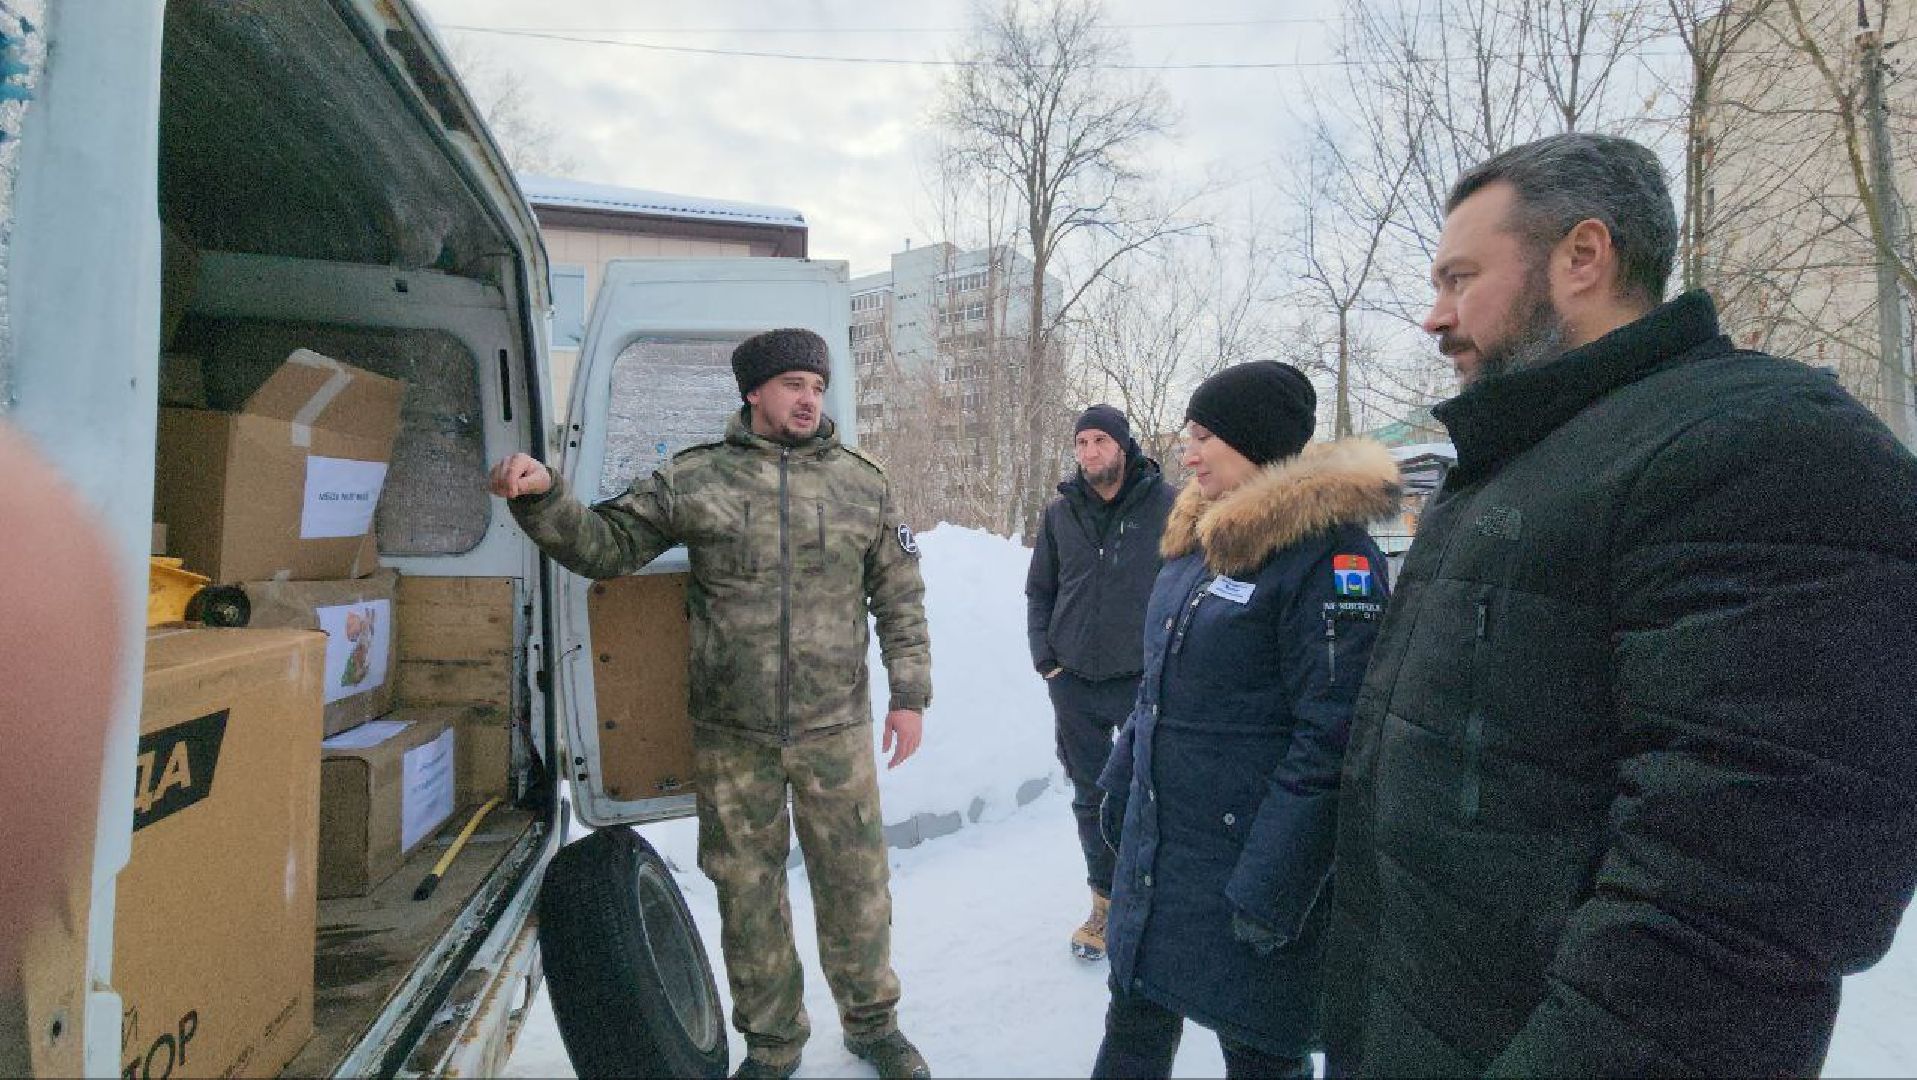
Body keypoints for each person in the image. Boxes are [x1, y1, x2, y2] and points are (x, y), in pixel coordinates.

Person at [1323, 133, 1917, 1077]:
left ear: (1582, 256)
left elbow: (1729, 918)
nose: (1434, 317)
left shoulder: (1758, 449)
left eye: (1458, 277)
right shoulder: (1509, 466)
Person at [490, 328, 934, 1080]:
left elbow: (899, 596)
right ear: (754, 392)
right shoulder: (695, 480)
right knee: (747, 893)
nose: (807, 398)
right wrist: (542, 497)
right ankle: (772, 1043)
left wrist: (909, 694)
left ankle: (872, 1026)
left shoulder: (863, 482)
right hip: (735, 735)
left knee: (856, 887)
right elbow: (605, 545)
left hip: (834, 728)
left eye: (817, 386)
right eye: (793, 383)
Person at [1093, 362, 1400, 1079]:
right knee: (1132, 1025)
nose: (1187, 452)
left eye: (1204, 437)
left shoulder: (1331, 556)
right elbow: (1157, 689)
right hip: (1162, 858)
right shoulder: (1197, 542)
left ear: (1256, 441)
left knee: (1260, 1050)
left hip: (1249, 868)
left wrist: (1273, 886)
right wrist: (1118, 788)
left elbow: (1335, 737)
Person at [1025, 404, 1177, 962]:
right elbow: (1040, 590)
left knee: (1152, 793)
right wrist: (1047, 660)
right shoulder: (1061, 513)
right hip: (1074, 684)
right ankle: (1105, 904)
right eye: (1081, 442)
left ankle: (1155, 903)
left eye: (1100, 442)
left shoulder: (1168, 506)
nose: (1089, 453)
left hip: (1142, 682)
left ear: (1123, 445)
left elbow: (1193, 585)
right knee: (1090, 797)